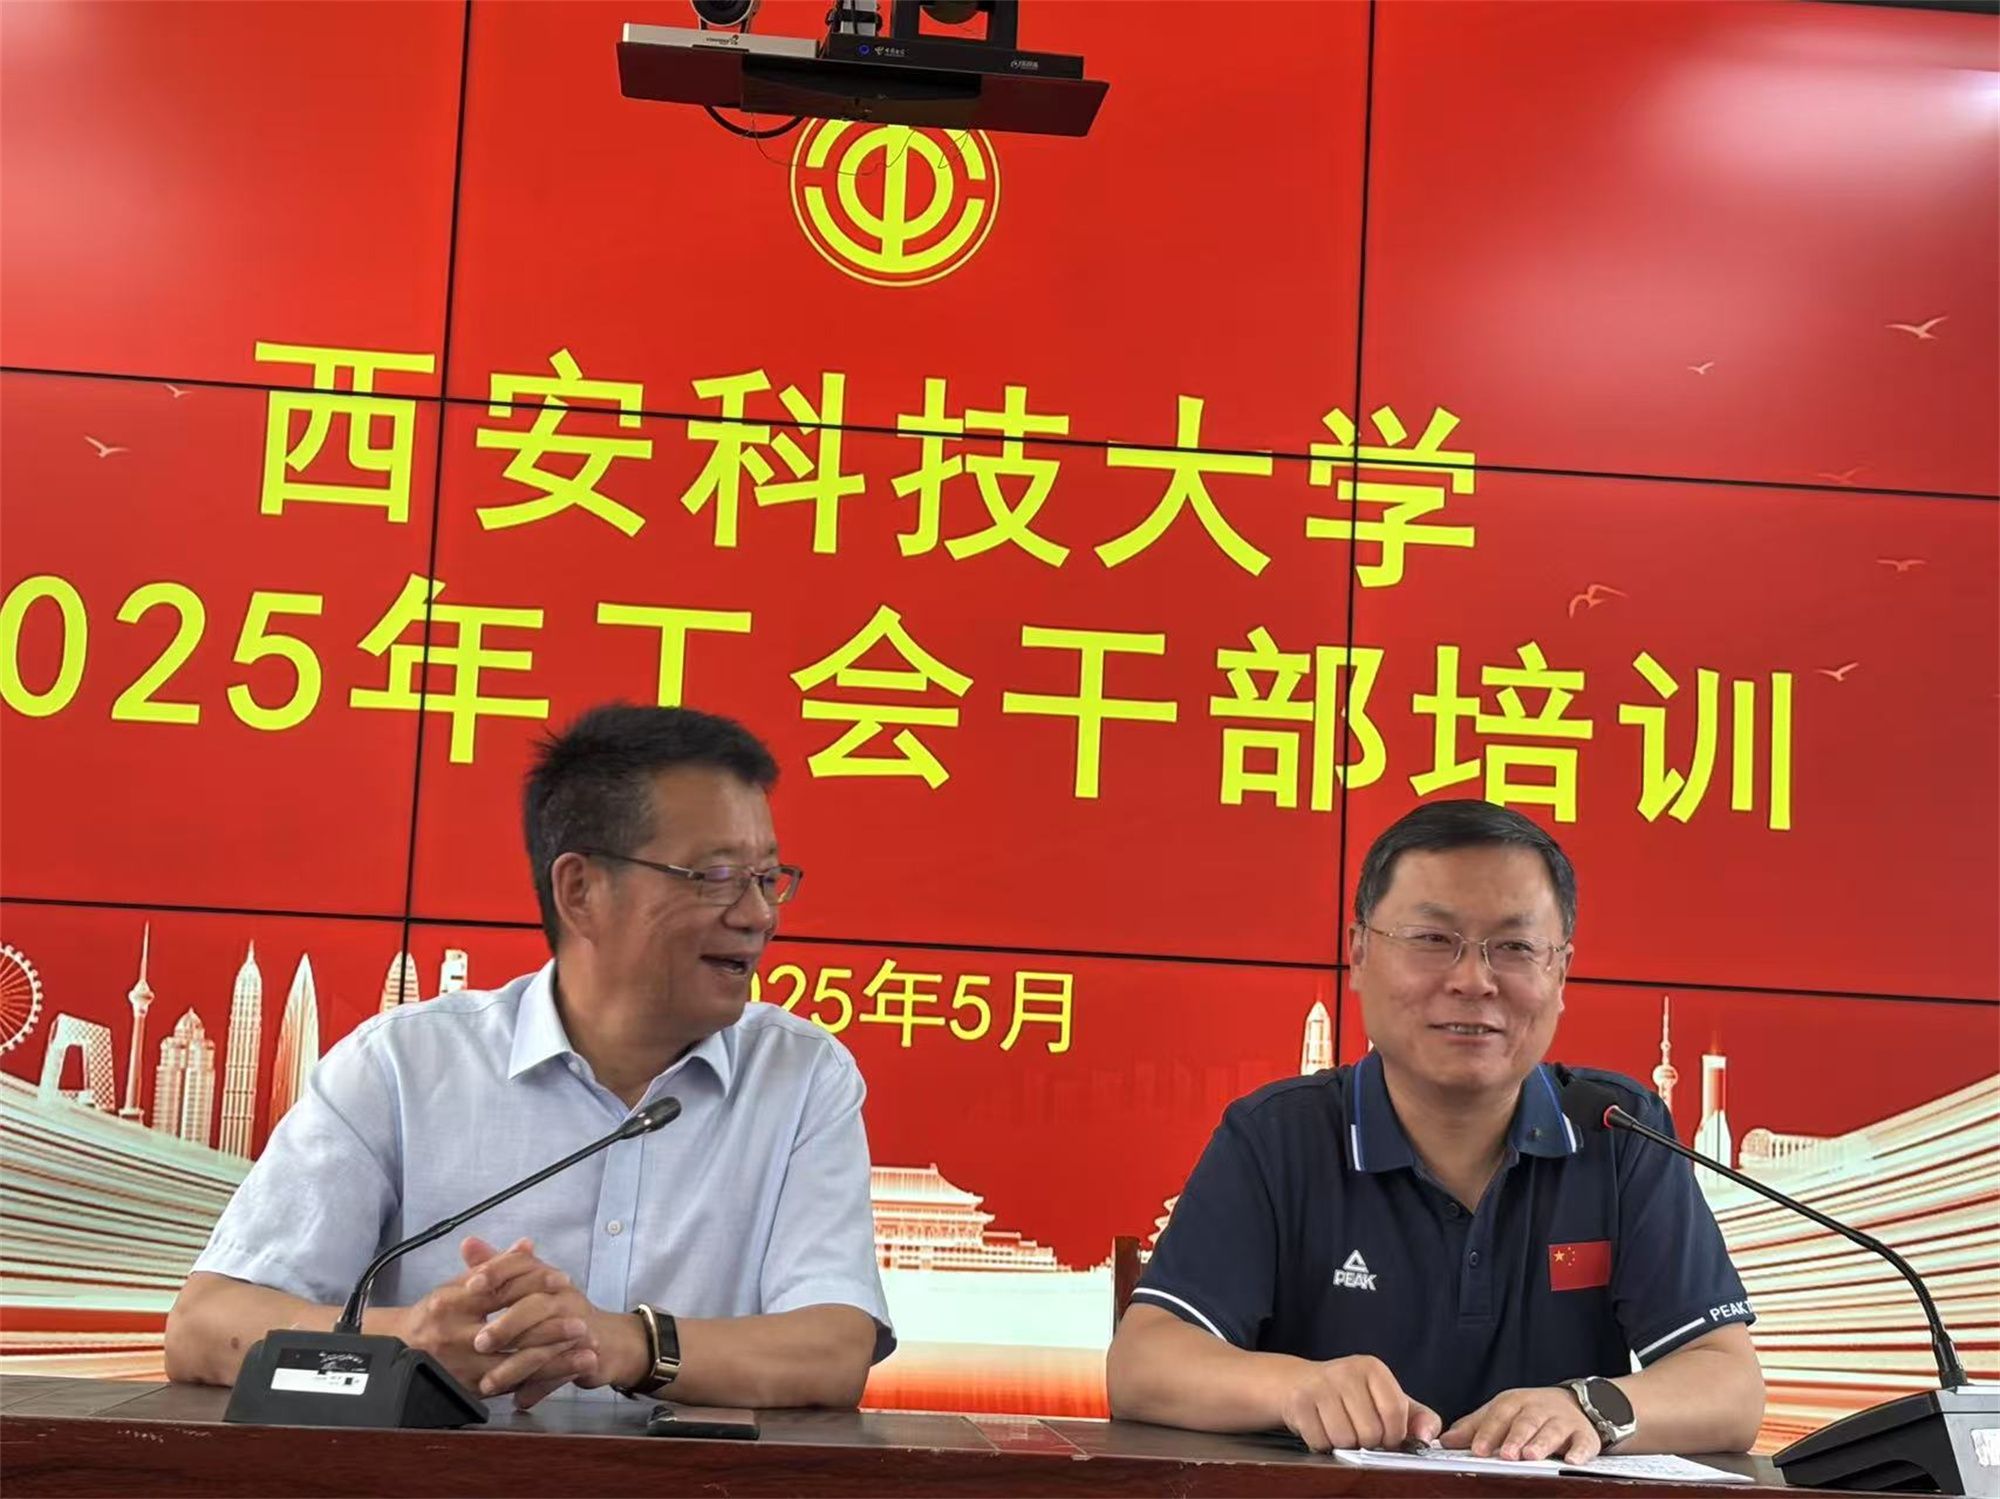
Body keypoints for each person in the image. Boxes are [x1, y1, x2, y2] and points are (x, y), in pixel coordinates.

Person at [166, 704, 891, 1410]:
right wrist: (409, 1340)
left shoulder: (801, 1077)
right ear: (581, 891)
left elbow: (834, 1348)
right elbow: (203, 1328)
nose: (759, 915)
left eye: (767, 878)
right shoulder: (402, 1068)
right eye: (718, 876)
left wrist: (624, 1343)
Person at [1106, 799, 1763, 1462]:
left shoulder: (1617, 1133)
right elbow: (1143, 1362)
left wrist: (1587, 1406)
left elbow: (1730, 1386)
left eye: (1514, 947)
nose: (1473, 980)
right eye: (1431, 939)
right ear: (1359, 953)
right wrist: (1296, 1387)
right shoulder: (1277, 1137)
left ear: (1560, 973)